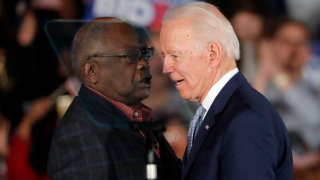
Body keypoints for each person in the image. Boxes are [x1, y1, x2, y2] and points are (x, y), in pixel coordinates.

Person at [159, 2, 293, 179]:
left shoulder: (245, 121)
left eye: (175, 56)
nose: (165, 68)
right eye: (164, 56)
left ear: (212, 54)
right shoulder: (222, 111)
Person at [47, 17, 181, 179]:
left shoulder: (137, 116)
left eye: (144, 53)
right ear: (91, 71)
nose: (143, 63)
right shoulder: (79, 135)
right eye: (130, 56)